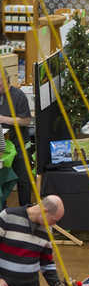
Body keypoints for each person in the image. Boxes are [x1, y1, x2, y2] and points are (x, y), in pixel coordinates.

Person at [0, 195, 63, 286]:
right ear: (44, 211)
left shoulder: (47, 230)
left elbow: (47, 263)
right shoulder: (8, 216)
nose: (53, 224)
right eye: (54, 220)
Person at [0, 75, 32, 205]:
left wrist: (4, 119)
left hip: (19, 145)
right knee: (3, 180)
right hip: (3, 148)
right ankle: (4, 211)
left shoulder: (18, 96)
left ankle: (26, 209)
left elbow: (26, 120)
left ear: (7, 81)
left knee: (23, 179)